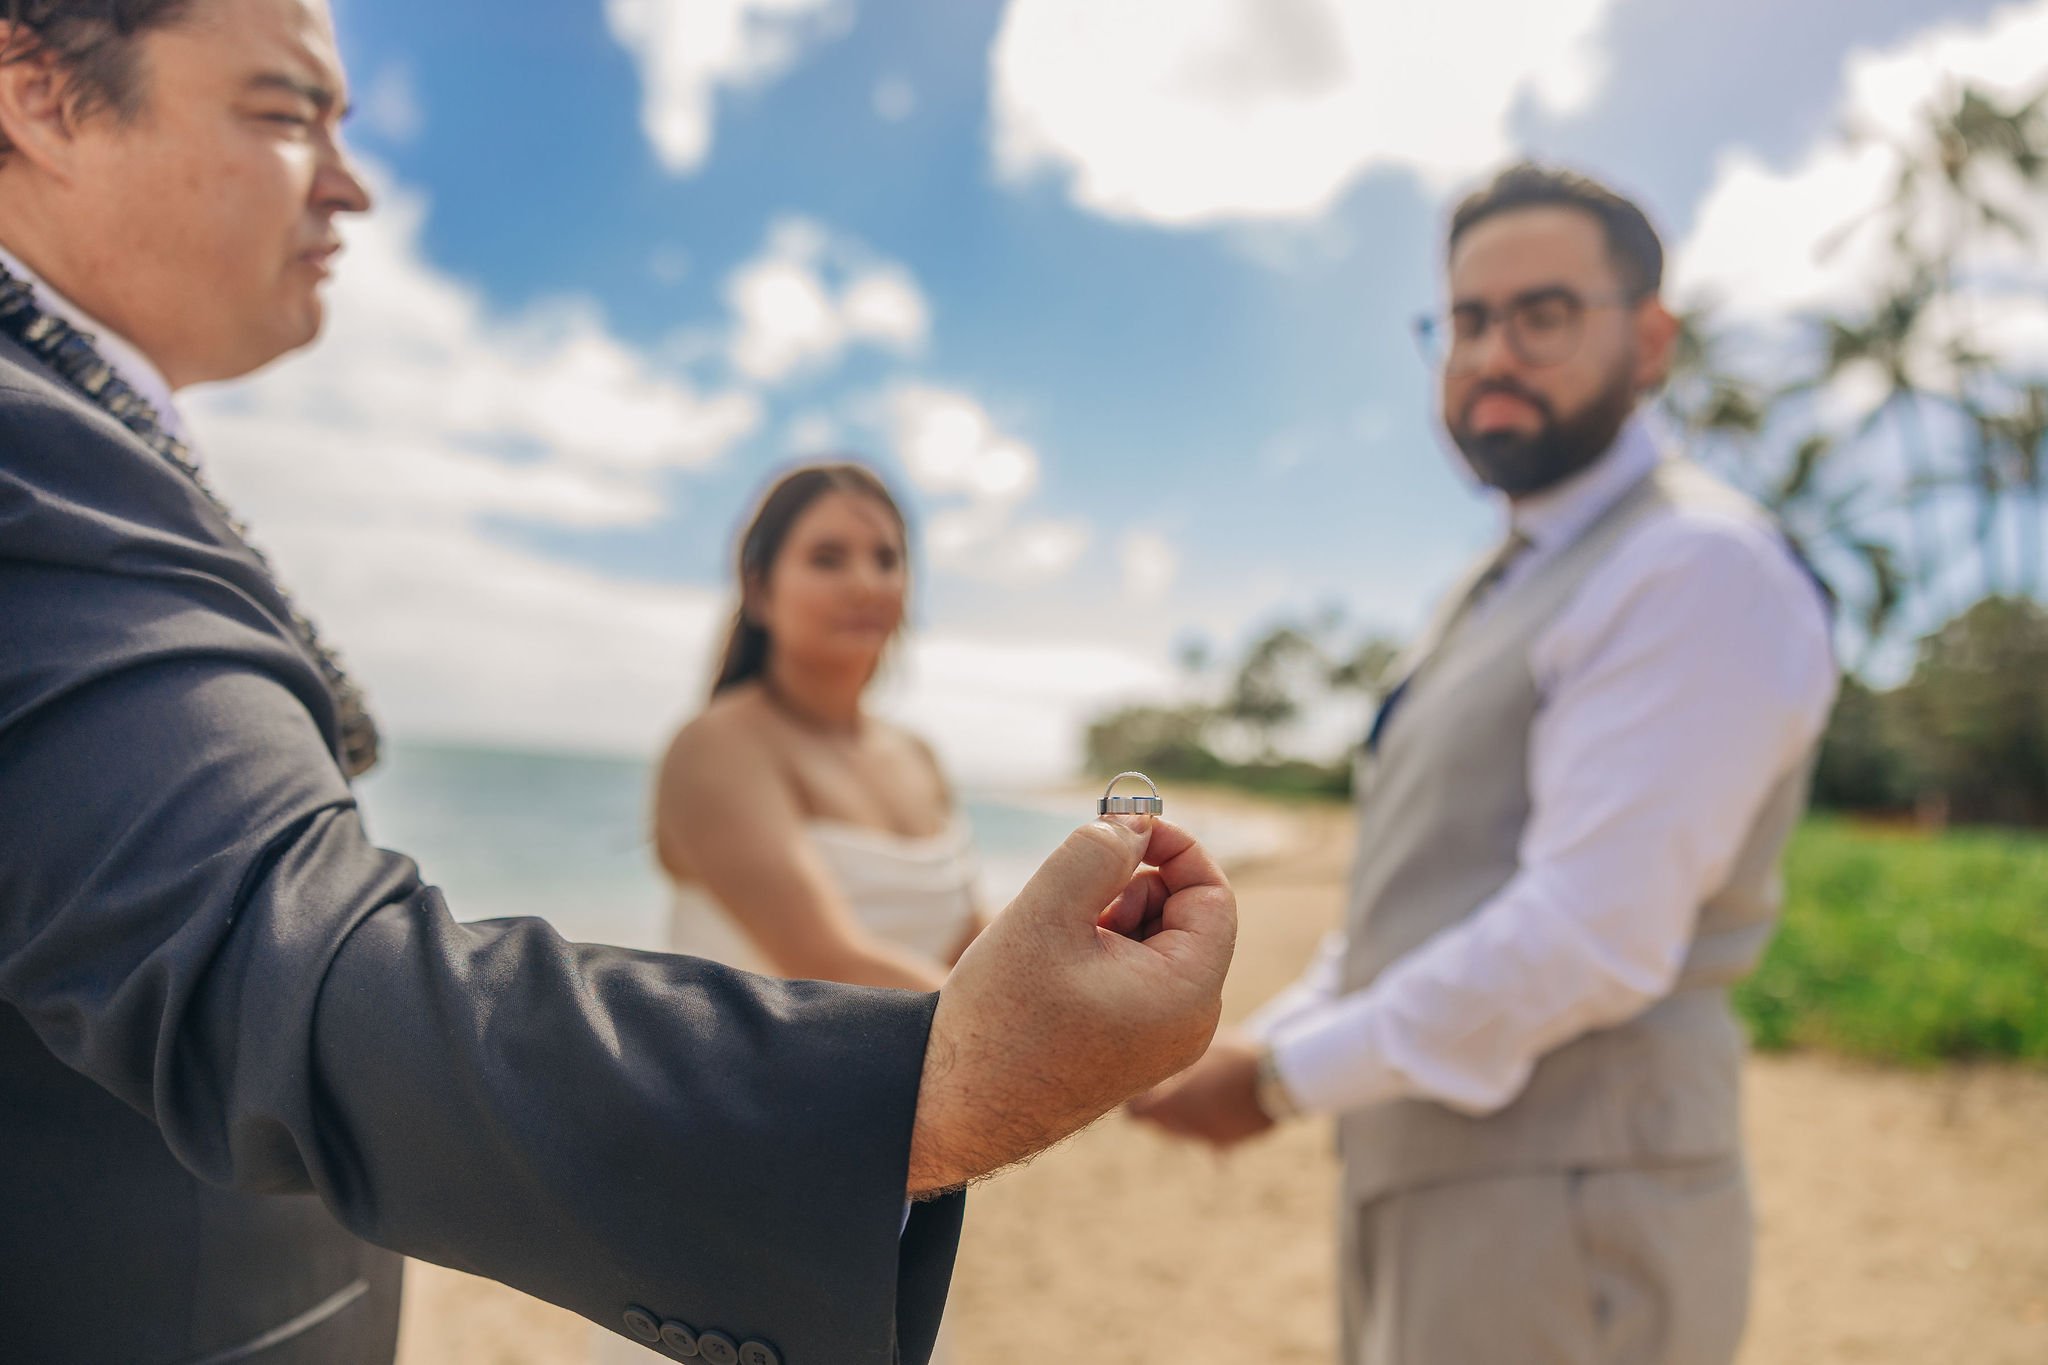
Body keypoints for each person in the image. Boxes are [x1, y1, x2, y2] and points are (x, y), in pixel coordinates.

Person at [0, 3, 1238, 1363]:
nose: (352, 183)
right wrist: (939, 1084)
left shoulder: (92, 449)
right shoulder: (31, 450)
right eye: (290, 114)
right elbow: (281, 955)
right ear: (41, 94)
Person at [1130, 163, 1838, 1365]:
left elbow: (1587, 936)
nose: (1491, 351)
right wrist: (1249, 1045)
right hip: (1433, 1186)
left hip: (1569, 1208)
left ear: (1650, 338)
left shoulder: (1691, 566)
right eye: (1465, 320)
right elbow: (1416, 895)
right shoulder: (1500, 576)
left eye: (1542, 314)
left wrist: (1276, 1083)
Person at [590, 462, 983, 1365]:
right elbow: (828, 953)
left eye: (887, 557)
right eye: (829, 556)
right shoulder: (718, 743)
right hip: (733, 1173)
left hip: (893, 1170)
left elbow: (973, 942)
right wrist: (1057, 1031)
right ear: (759, 586)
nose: (865, 581)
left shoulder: (918, 754)